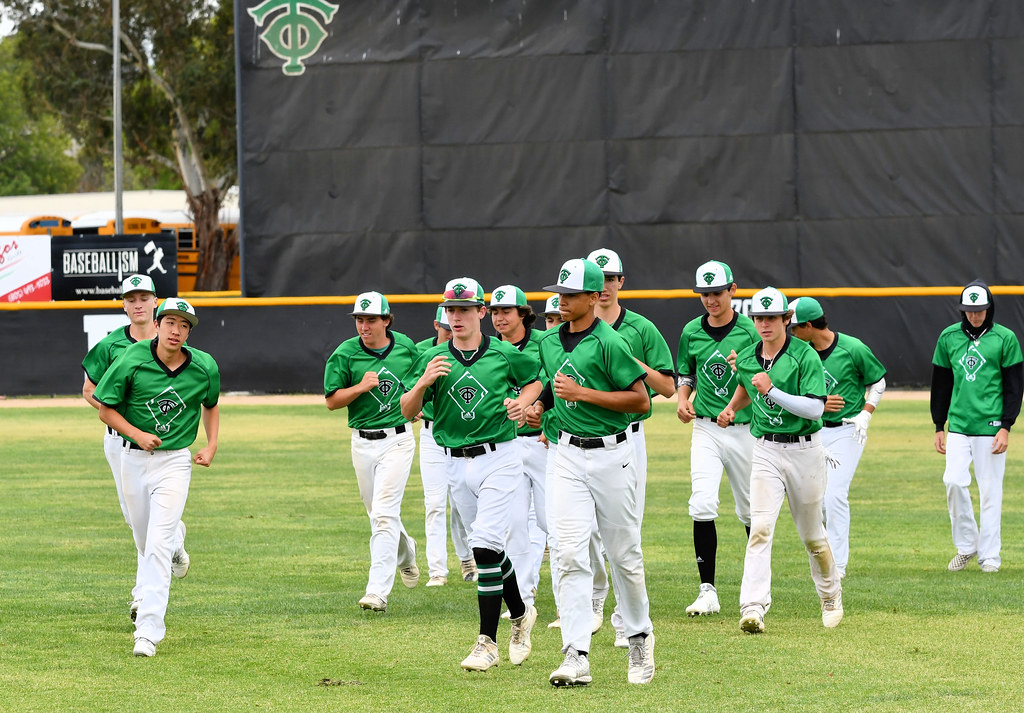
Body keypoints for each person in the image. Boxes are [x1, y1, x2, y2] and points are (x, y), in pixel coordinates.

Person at [525, 258, 656, 686]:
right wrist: (539, 405)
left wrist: (584, 394)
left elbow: (641, 401)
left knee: (623, 555)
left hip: (612, 455)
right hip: (565, 454)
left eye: (571, 295)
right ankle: (576, 653)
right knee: (566, 553)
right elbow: (552, 382)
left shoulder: (610, 342)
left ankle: (639, 636)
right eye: (559, 293)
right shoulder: (549, 341)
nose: (562, 301)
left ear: (594, 297)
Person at [401, 277, 542, 672]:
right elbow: (407, 411)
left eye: (464, 309)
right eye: (451, 309)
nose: (456, 316)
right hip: (453, 461)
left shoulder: (503, 353)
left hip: (499, 456)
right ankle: (521, 613)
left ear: (481, 311)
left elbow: (535, 381)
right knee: (490, 549)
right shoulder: (433, 357)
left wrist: (523, 402)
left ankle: (487, 643)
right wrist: (423, 382)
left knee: (483, 545)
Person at [93, 298, 220, 657]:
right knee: (144, 539)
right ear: (158, 324)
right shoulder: (132, 358)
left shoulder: (204, 366)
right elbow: (105, 409)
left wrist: (211, 444)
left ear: (189, 332)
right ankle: (177, 537)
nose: (176, 331)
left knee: (156, 546)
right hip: (133, 458)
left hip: (175, 461)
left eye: (184, 325)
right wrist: (136, 434)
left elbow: (210, 405)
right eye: (171, 323)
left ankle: (148, 630)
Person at [717, 287, 842, 634]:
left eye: (772, 317)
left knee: (812, 536)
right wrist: (731, 407)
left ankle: (830, 594)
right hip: (765, 449)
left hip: (805, 450)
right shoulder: (747, 356)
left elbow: (815, 408)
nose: (765, 324)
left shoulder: (804, 355)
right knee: (759, 528)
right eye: (759, 317)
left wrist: (772, 390)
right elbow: (747, 385)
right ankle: (753, 607)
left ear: (787, 319)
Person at [81, 274, 188, 622]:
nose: (138, 304)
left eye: (144, 297)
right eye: (131, 298)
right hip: (120, 442)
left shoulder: (171, 340)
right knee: (135, 518)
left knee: (152, 522)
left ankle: (142, 596)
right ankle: (175, 539)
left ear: (156, 302)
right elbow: (89, 390)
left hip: (165, 444)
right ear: (124, 305)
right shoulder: (111, 345)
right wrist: (126, 422)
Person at [585, 247, 674, 645]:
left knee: (625, 532)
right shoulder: (572, 330)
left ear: (621, 281)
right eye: (597, 278)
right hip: (578, 439)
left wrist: (631, 364)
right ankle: (593, 600)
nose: (604, 286)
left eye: (610, 278)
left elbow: (668, 388)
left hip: (626, 437)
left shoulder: (640, 328)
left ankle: (624, 618)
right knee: (581, 532)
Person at [325, 292, 421, 611]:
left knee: (383, 512)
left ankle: (377, 591)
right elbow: (331, 401)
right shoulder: (345, 353)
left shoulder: (406, 348)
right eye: (359, 320)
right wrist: (359, 387)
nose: (364, 326)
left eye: (371, 320)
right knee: (377, 513)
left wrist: (418, 404)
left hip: (398, 439)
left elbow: (422, 383)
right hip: (362, 441)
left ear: (386, 320)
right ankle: (406, 552)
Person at [676, 260, 757, 617]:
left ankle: (757, 588)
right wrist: (683, 399)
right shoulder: (691, 331)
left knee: (751, 510)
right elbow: (686, 373)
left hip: (744, 429)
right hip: (706, 428)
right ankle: (707, 590)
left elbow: (761, 380)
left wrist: (741, 379)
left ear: (732, 290)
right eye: (704, 294)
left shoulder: (751, 331)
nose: (710, 300)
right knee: (702, 503)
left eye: (717, 293)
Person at [789, 296, 887, 579]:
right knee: (814, 499)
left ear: (809, 325)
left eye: (794, 327)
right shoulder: (800, 353)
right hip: (814, 431)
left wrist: (866, 413)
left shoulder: (852, 348)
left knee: (834, 495)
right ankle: (823, 555)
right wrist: (818, 404)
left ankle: (837, 565)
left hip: (847, 429)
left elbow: (878, 381)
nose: (790, 332)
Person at [931, 281, 1023, 573]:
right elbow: (941, 383)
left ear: (989, 308)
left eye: (980, 310)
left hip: (991, 426)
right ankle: (968, 544)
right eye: (969, 310)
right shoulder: (948, 337)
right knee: (953, 481)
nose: (974, 316)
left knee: (990, 492)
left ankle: (990, 557)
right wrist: (939, 425)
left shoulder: (1005, 338)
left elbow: (1014, 387)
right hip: (958, 425)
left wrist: (1006, 426)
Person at [489, 284, 547, 610]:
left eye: (506, 311)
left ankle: (580, 595)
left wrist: (544, 412)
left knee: (553, 523)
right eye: (495, 311)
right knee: (514, 526)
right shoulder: (488, 349)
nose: (500, 317)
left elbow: (555, 384)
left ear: (523, 314)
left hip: (544, 444)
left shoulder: (545, 343)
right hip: (507, 445)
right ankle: (522, 600)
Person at [415, 306, 477, 585]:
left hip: (462, 434)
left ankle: (468, 558)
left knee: (462, 501)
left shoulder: (470, 352)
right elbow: (405, 388)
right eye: (446, 328)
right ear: (436, 325)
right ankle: (437, 570)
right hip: (431, 434)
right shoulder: (423, 353)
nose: (451, 332)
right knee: (435, 502)